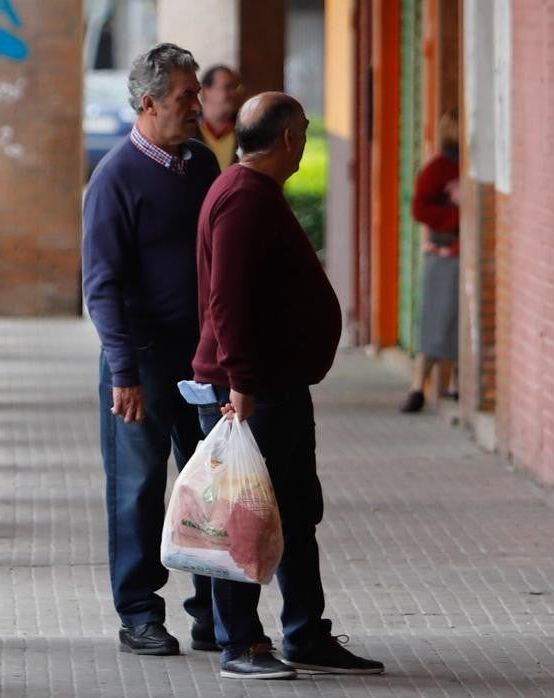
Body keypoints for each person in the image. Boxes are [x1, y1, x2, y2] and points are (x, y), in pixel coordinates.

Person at [189, 91, 385, 680]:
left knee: (297, 514)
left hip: (277, 388)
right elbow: (227, 302)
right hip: (252, 395)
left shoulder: (253, 192)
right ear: (287, 140)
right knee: (241, 519)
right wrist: (243, 384)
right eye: (301, 130)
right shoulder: (244, 199)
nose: (304, 140)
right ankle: (241, 645)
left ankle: (305, 633)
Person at [81, 43, 221, 657]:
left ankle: (213, 613)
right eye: (188, 97)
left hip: (201, 359)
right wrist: (122, 372)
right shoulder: (114, 179)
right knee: (137, 489)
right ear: (149, 102)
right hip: (137, 361)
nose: (199, 106)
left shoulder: (202, 165)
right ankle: (139, 614)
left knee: (207, 487)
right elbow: (101, 284)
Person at [400, 111, 461, 413]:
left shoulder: (464, 166)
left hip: (460, 253)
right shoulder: (438, 168)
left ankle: (454, 385)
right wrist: (455, 217)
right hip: (443, 253)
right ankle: (417, 386)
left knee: (458, 322)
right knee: (437, 321)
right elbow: (420, 208)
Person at [196, 65, 243, 171]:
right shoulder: (187, 131)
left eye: (236, 88)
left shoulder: (245, 130)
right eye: (228, 87)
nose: (234, 93)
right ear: (205, 91)